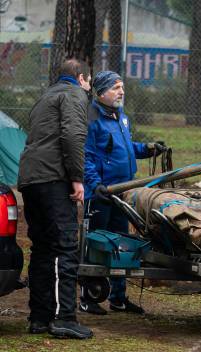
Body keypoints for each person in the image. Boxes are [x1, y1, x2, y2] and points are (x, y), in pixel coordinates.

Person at [79, 70, 167, 315]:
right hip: (101, 194)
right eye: (116, 87)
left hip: (123, 193)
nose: (121, 91)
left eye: (122, 86)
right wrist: (95, 184)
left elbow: (126, 147)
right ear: (101, 92)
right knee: (96, 244)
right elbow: (86, 157)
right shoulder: (91, 118)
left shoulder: (121, 117)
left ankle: (118, 298)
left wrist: (147, 149)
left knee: (122, 245)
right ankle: (89, 296)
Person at [18, 59, 93, 339]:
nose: (89, 88)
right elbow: (72, 135)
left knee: (43, 248)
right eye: (89, 82)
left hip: (30, 177)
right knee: (65, 247)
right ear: (82, 78)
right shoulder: (74, 94)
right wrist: (77, 177)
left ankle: (40, 317)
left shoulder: (45, 96)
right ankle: (65, 318)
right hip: (53, 178)